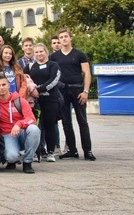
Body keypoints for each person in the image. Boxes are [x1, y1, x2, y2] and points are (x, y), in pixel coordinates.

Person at [51, 29, 95, 161]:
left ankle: (88, 150)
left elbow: (87, 73)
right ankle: (72, 150)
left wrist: (86, 91)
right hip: (62, 91)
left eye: (66, 36)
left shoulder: (79, 54)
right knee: (66, 122)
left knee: (82, 121)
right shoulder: (54, 57)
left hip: (78, 91)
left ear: (70, 38)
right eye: (61, 37)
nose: (64, 39)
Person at [0, 74, 40, 173]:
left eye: (3, 84)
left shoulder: (20, 101)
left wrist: (19, 124)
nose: (1, 87)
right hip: (6, 134)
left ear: (9, 85)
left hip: (22, 132)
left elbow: (32, 119)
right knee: (11, 157)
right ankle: (12, 159)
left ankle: (27, 162)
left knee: (34, 129)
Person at [28, 43, 62, 162]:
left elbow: (53, 80)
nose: (39, 54)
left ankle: (50, 152)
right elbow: (25, 79)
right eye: (36, 52)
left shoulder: (53, 65)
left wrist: (39, 89)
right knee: (35, 127)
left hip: (51, 100)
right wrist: (32, 90)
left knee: (49, 126)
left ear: (46, 52)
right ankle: (35, 152)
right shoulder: (31, 66)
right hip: (35, 101)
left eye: (41, 51)